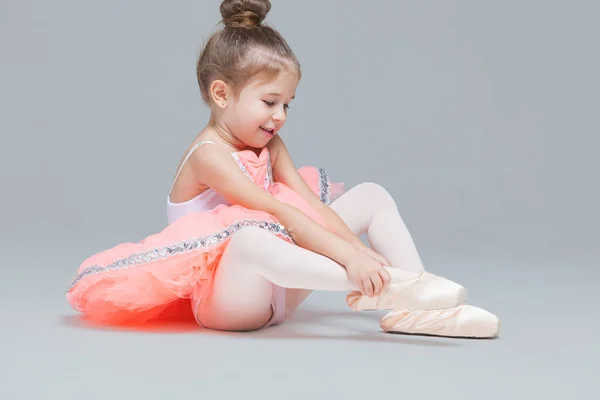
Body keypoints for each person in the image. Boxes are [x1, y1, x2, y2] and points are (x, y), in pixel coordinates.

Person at [66, 0, 500, 338]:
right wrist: (353, 257)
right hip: (230, 302)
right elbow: (283, 216)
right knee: (249, 236)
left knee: (371, 194)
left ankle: (416, 308)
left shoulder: (270, 145)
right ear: (221, 93)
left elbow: (311, 207)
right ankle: (398, 286)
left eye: (287, 104)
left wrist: (358, 247)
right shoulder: (208, 155)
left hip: (281, 290)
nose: (280, 116)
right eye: (269, 102)